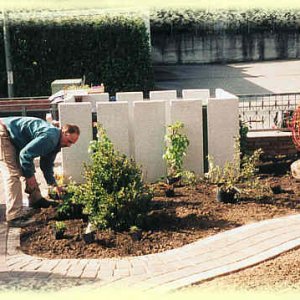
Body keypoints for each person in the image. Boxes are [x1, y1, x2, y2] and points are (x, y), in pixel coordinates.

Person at [0, 116, 80, 227]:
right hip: (4, 132)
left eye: (72, 144)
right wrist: (29, 177)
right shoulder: (50, 138)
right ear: (64, 132)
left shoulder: (56, 143)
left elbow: (46, 166)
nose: (69, 145)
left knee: (28, 169)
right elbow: (25, 155)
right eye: (69, 141)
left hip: (14, 137)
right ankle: (14, 217)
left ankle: (36, 200)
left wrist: (54, 185)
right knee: (13, 174)